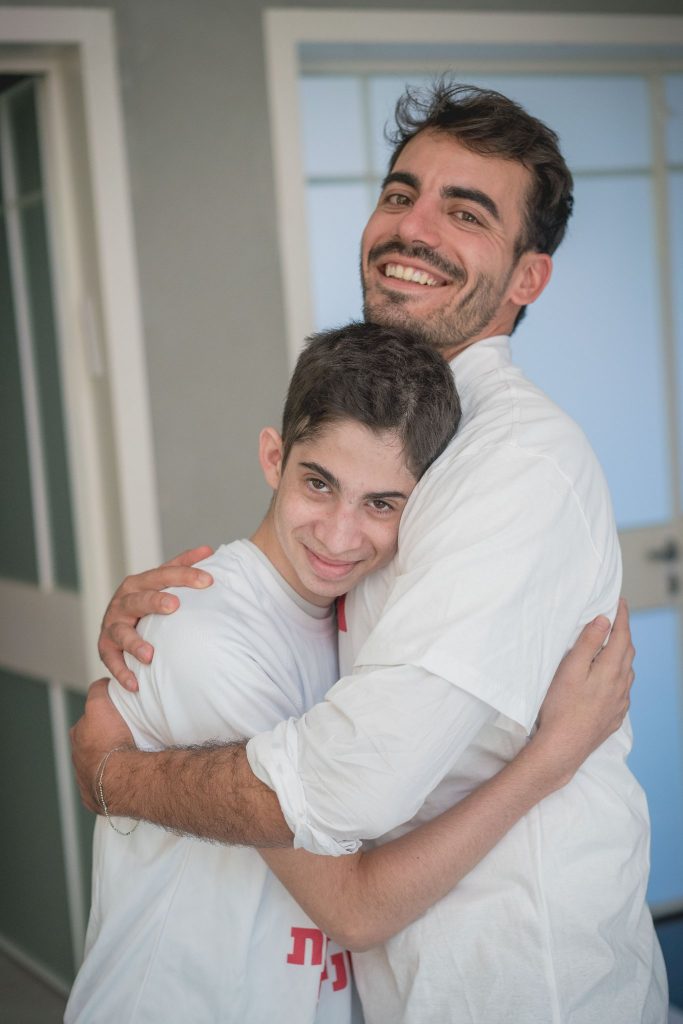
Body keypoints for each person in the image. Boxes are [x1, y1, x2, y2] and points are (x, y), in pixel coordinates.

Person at [72, 81, 667, 1022]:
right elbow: (303, 574)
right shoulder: (418, 430)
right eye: (400, 194)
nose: (411, 229)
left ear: (527, 279)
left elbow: (350, 783)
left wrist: (116, 773)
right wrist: (188, 617)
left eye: (465, 213)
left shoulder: (513, 460)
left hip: (513, 981)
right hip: (402, 979)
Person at [66, 321, 629, 1024]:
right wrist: (552, 758)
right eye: (318, 483)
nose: (338, 535)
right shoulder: (201, 635)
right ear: (274, 458)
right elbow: (355, 908)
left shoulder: (356, 619)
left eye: (381, 504)